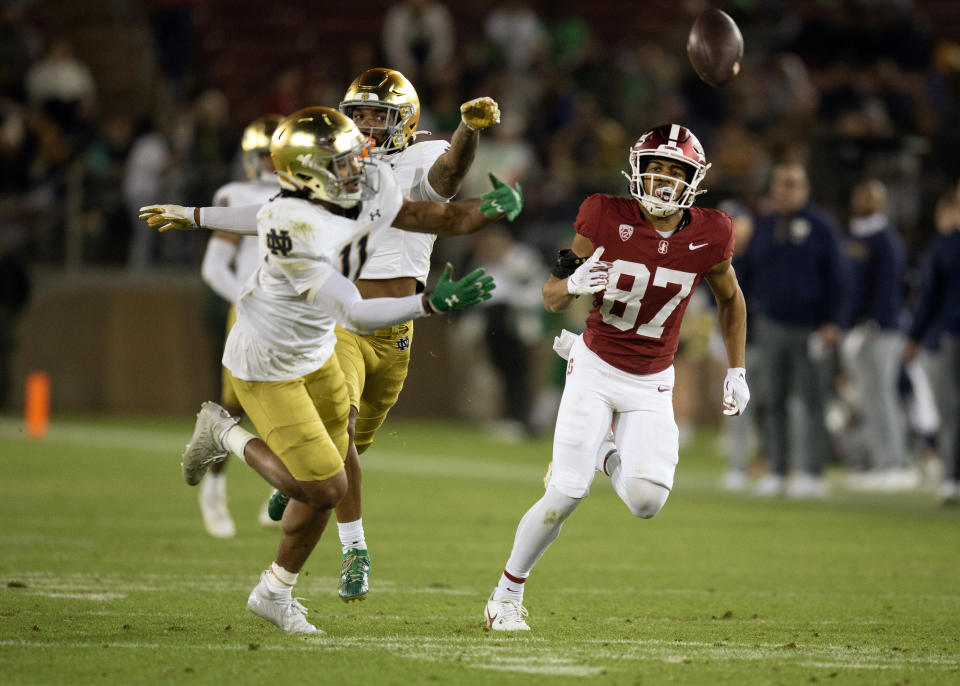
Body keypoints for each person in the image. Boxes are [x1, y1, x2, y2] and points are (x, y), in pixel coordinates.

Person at [141, 106, 522, 634]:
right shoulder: (292, 227)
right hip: (268, 359)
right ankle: (223, 433)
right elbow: (355, 309)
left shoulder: (355, 187)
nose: (356, 167)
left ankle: (275, 590)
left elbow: (433, 216)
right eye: (339, 161)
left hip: (316, 349)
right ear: (308, 173)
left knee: (332, 471)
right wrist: (430, 305)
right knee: (324, 487)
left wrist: (491, 210)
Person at [483, 124, 748, 631]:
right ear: (638, 171)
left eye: (677, 171)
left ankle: (607, 452)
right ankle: (505, 596)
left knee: (648, 502)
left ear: (693, 180)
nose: (665, 180)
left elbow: (731, 298)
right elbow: (550, 293)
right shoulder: (604, 216)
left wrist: (737, 369)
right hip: (596, 368)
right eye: (658, 168)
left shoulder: (712, 232)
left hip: (653, 380)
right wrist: (572, 282)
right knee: (565, 492)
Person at [317, 69, 501, 602]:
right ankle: (355, 551)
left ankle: (299, 483)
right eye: (361, 115)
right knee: (340, 430)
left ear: (406, 121)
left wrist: (469, 131)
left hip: (397, 328)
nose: (368, 124)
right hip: (342, 320)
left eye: (380, 115)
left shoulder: (422, 157)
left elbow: (447, 178)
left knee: (352, 445)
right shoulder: (332, 166)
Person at [196, 113, 283, 538]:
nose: (268, 164)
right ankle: (213, 488)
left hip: (298, 312)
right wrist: (245, 298)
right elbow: (214, 267)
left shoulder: (308, 192)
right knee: (234, 407)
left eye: (275, 154)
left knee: (300, 399)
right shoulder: (235, 194)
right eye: (262, 155)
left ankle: (282, 490)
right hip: (250, 310)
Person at [741, 160, 848, 499]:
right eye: (780, 184)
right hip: (771, 324)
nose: (784, 190)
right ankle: (776, 469)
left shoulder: (822, 226)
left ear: (805, 189)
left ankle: (814, 473)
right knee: (771, 398)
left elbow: (840, 277)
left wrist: (834, 321)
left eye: (792, 184)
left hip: (811, 327)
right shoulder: (765, 225)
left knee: (812, 400)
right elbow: (749, 272)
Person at [840, 179, 913, 491]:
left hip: (880, 330)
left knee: (883, 397)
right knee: (869, 398)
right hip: (859, 329)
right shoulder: (856, 235)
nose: (865, 200)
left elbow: (888, 287)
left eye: (872, 196)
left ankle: (896, 463)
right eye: (862, 194)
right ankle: (879, 460)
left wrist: (871, 322)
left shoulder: (885, 239)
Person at [904, 190, 960, 504]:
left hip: (948, 333)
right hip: (953, 335)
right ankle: (952, 478)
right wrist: (915, 336)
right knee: (951, 410)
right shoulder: (947, 247)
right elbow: (929, 298)